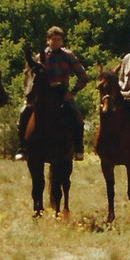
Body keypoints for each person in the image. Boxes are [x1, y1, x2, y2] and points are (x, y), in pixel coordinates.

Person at [14, 26, 89, 161]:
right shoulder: (39, 57)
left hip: (61, 93)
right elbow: (29, 77)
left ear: (62, 41)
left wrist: (72, 92)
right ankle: (23, 148)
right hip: (42, 93)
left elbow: (83, 76)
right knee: (24, 113)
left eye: (59, 39)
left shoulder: (68, 56)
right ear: (48, 40)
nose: (56, 42)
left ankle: (78, 148)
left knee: (76, 117)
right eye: (53, 39)